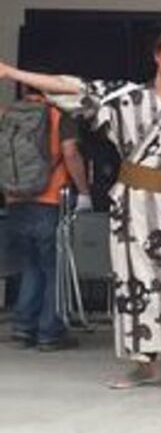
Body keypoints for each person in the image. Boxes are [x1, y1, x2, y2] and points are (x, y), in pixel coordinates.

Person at [0, 25, 161, 394]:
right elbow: (71, 87)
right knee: (133, 282)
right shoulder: (125, 97)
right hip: (129, 204)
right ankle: (144, 364)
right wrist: (11, 73)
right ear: (157, 55)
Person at [4, 85, 91, 351]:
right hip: (50, 199)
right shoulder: (59, 115)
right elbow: (70, 153)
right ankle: (49, 332)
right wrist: (84, 192)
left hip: (16, 198)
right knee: (53, 268)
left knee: (30, 265)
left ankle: (23, 327)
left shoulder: (7, 114)